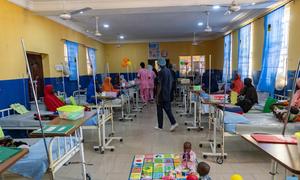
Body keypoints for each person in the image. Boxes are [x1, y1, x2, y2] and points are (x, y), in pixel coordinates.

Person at [155, 58, 178, 131]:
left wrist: (157, 96)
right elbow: (171, 82)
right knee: (167, 109)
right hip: (167, 93)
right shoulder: (169, 71)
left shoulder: (161, 72)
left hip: (162, 94)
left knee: (159, 110)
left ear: (159, 64)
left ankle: (163, 125)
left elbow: (159, 85)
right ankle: (171, 123)